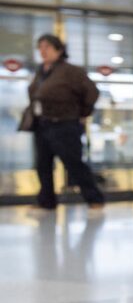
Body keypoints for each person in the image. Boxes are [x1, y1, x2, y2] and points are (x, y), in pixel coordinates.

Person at [28, 34, 105, 211]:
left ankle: (95, 199)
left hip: (65, 124)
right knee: (43, 165)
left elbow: (92, 92)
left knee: (74, 163)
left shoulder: (71, 71)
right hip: (43, 124)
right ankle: (46, 202)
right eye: (40, 47)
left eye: (47, 47)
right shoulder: (41, 71)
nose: (42, 51)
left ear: (59, 50)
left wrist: (82, 113)